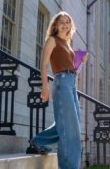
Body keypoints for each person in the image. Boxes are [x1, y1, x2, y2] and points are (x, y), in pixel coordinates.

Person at [29, 11, 87, 169]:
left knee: (67, 124)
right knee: (71, 129)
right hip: (61, 82)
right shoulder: (52, 40)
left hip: (71, 83)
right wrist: (45, 87)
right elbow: (44, 64)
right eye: (61, 22)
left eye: (67, 22)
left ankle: (38, 141)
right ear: (55, 25)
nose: (65, 24)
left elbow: (73, 68)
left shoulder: (67, 43)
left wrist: (80, 60)